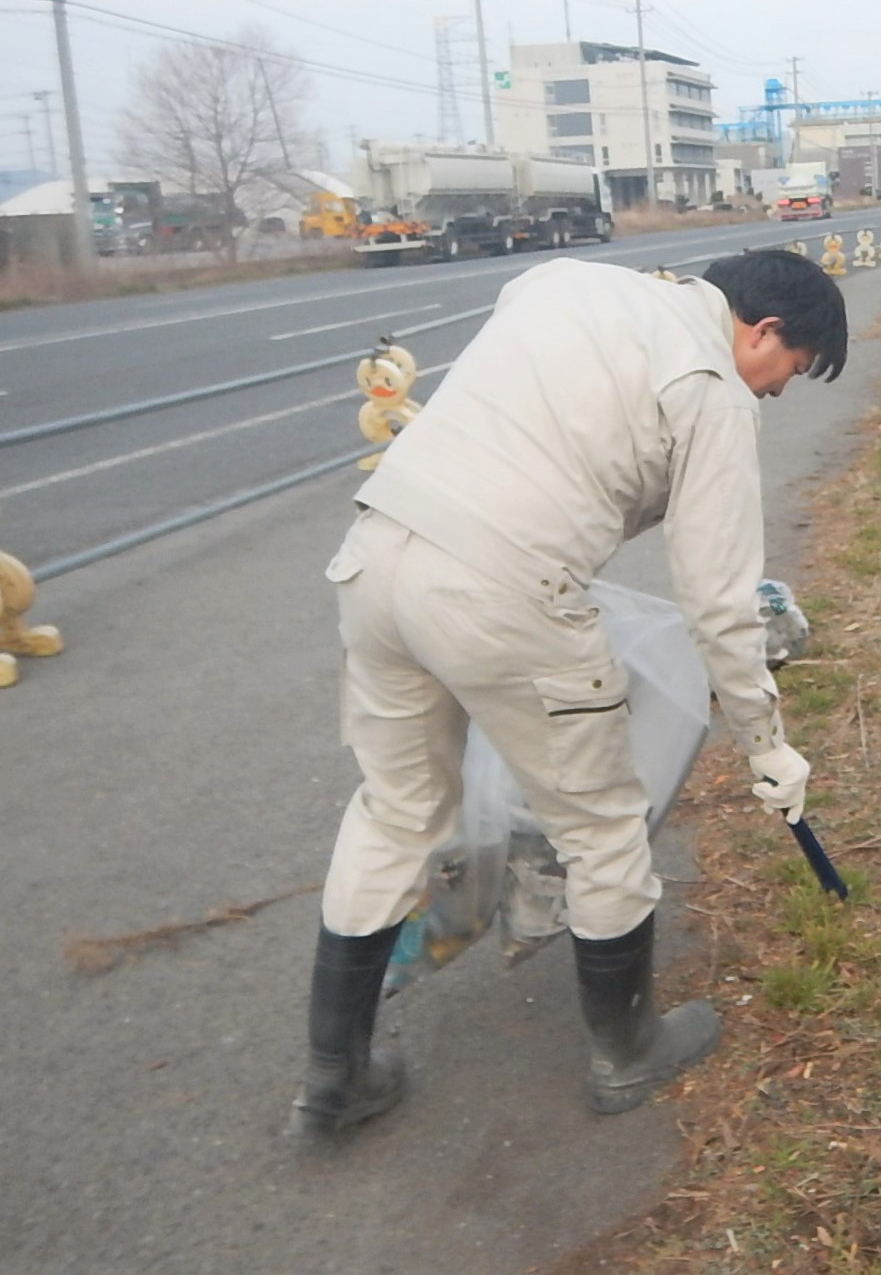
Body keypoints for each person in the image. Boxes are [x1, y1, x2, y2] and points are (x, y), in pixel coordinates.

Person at [289, 248, 846, 1137]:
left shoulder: (571, 278)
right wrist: (766, 743)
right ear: (764, 330)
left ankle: (332, 1076)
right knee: (601, 827)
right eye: (787, 374)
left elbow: (525, 327)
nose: (774, 394)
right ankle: (626, 1056)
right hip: (503, 592)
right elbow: (718, 600)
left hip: (377, 555)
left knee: (395, 811)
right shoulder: (710, 388)